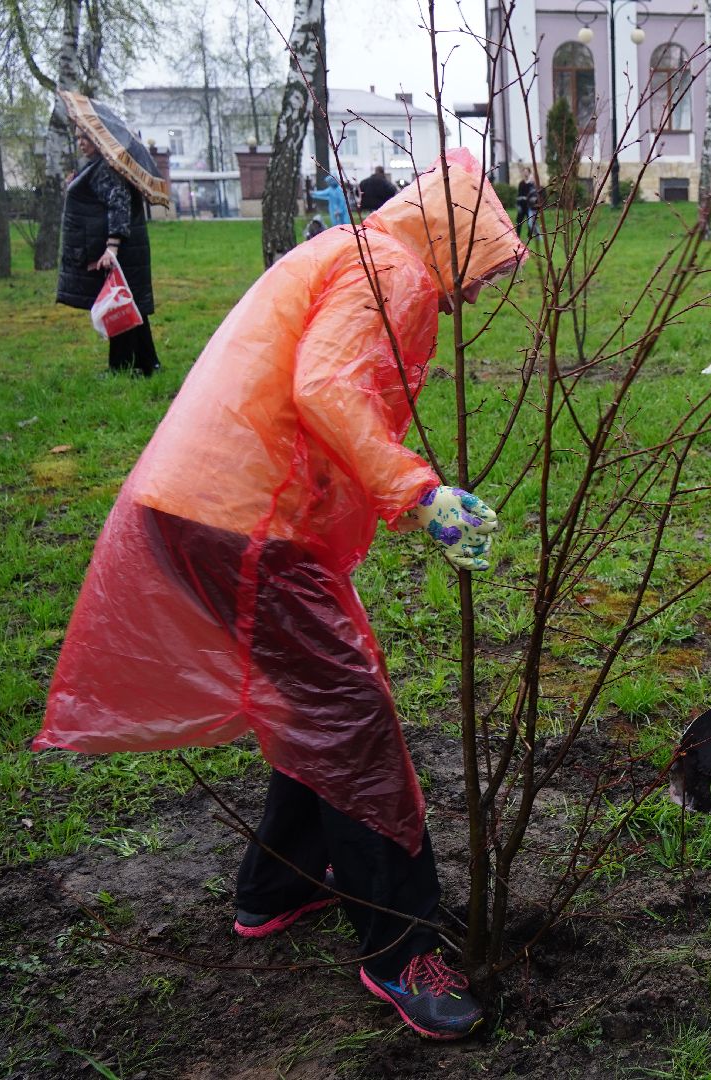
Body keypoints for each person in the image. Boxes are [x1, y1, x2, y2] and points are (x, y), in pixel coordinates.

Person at [35, 149, 528, 1041]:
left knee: (317, 693)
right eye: (484, 271)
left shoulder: (352, 249)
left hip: (205, 505)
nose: (476, 295)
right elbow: (328, 388)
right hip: (245, 518)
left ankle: (279, 886)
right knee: (351, 715)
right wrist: (421, 493)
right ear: (456, 241)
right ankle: (401, 951)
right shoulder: (396, 270)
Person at [57, 124, 160, 376]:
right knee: (131, 303)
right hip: (125, 246)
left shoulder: (106, 168)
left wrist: (111, 247)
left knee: (120, 305)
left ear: (100, 139)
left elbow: (118, 205)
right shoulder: (98, 165)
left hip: (119, 248)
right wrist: (75, 184)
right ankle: (148, 363)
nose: (81, 142)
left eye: (86, 138)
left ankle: (121, 366)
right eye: (79, 138)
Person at [515, 167, 538, 239]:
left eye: (527, 172)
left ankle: (529, 236)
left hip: (529, 206)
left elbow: (534, 194)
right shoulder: (521, 183)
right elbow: (519, 194)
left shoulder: (531, 184)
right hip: (522, 205)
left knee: (530, 221)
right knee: (519, 221)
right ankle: (517, 236)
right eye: (524, 172)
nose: (525, 173)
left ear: (529, 173)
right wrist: (518, 205)